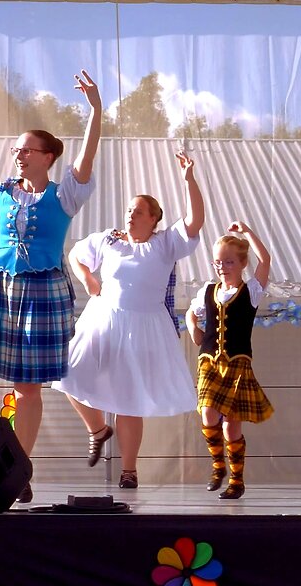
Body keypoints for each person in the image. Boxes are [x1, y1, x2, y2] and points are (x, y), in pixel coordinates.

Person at [0, 71, 102, 504]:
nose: (18, 154)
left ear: (47, 156)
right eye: (16, 149)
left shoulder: (65, 194)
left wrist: (96, 110)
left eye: (26, 149)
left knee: (27, 386)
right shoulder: (1, 191)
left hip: (42, 291)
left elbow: (86, 158)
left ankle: (17, 469)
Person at [54, 151, 205, 490]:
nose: (131, 216)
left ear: (154, 219)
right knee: (66, 370)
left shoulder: (165, 244)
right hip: (104, 317)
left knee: (129, 398)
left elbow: (195, 222)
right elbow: (77, 254)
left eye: (138, 212)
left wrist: (189, 180)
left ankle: (129, 470)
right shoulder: (109, 239)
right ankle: (97, 429)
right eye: (129, 211)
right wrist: (88, 279)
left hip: (144, 326)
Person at [184, 222, 274, 500]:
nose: (223, 267)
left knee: (230, 425)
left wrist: (247, 232)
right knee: (208, 412)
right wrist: (194, 330)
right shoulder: (208, 291)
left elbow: (266, 259)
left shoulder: (251, 291)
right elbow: (191, 313)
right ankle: (217, 466)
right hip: (209, 360)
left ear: (242, 263)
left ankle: (236, 479)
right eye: (218, 262)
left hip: (237, 363)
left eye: (229, 261)